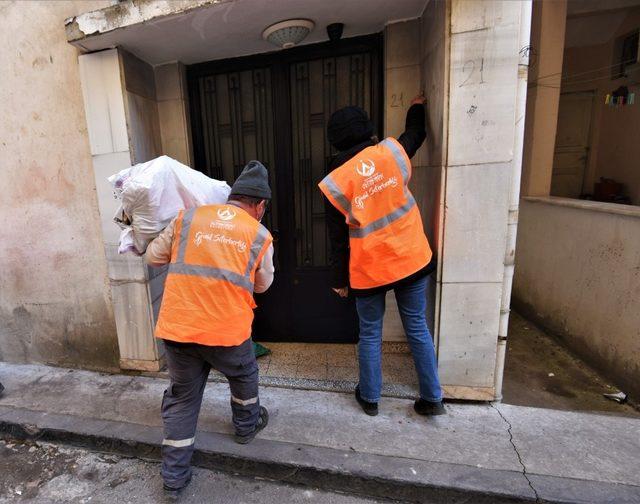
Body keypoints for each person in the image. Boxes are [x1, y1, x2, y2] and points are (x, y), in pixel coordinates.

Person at [145, 161, 275, 498]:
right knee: (244, 374)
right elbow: (262, 286)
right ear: (260, 205)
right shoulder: (259, 234)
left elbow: (154, 257)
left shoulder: (189, 217)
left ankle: (174, 480)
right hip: (226, 333)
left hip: (180, 328)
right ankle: (246, 427)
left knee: (183, 399)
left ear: (232, 197)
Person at [318, 94, 445, 418]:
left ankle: (371, 399)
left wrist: (339, 280)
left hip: (370, 268)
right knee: (417, 325)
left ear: (335, 140)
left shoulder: (335, 181)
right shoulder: (390, 152)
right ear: (367, 129)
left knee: (371, 332)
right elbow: (416, 134)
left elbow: (337, 238)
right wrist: (416, 107)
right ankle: (432, 399)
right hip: (410, 257)